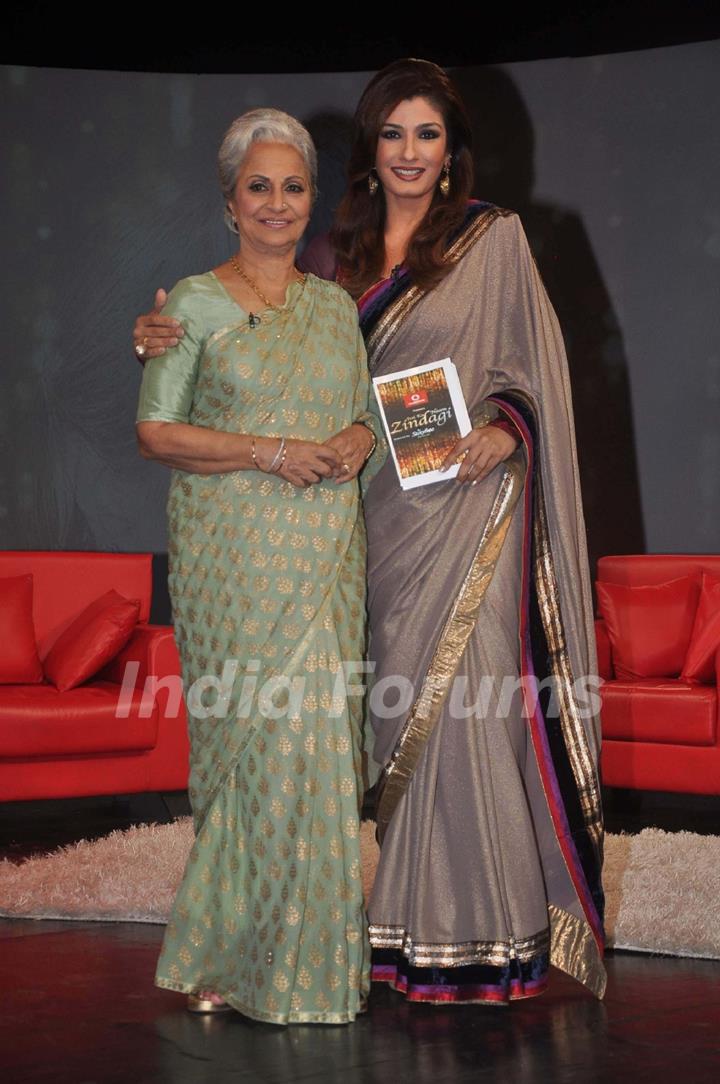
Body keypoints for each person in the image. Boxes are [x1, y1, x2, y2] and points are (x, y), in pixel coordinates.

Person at [134, 60, 606, 1007]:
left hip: (470, 512)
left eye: (428, 134)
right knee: (396, 724)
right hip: (371, 521)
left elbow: (533, 366)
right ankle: (396, 935)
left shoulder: (492, 238)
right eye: (393, 133)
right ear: (370, 147)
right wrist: (160, 332)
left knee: (467, 717)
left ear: (451, 149)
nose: (410, 153)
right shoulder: (336, 262)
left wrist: (500, 431)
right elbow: (281, 358)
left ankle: (482, 938)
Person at [135, 108, 382, 1025]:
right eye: (258, 187)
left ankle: (307, 964)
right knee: (247, 758)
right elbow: (156, 431)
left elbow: (366, 416)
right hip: (230, 562)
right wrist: (267, 450)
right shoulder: (190, 304)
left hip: (325, 561)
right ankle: (228, 955)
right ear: (230, 202)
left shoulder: (334, 307)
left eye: (293, 186)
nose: (277, 203)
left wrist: (356, 437)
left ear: (312, 201)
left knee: (315, 754)